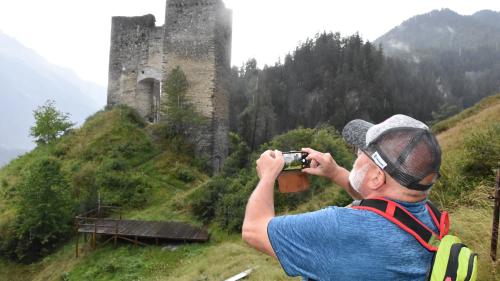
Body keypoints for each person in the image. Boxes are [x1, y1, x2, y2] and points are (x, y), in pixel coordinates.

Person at [242, 114, 442, 280]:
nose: (357, 154)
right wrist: (335, 172)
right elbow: (380, 201)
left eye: (362, 151)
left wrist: (267, 177)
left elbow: (253, 229)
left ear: (377, 177)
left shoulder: (337, 229)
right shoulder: (429, 217)